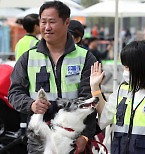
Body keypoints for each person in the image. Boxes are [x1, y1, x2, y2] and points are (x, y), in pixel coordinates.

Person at [8, 1, 97, 154]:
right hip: (40, 140)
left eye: (52, 22)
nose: (47, 27)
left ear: (66, 22)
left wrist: (86, 136)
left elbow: (91, 99)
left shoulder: (85, 57)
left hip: (73, 139)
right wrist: (31, 105)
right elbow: (14, 93)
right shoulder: (28, 58)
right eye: (43, 22)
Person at [90, 40, 145, 154]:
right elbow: (105, 116)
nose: (124, 72)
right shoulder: (122, 90)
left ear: (141, 67)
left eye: (127, 67)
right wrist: (95, 88)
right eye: (124, 67)